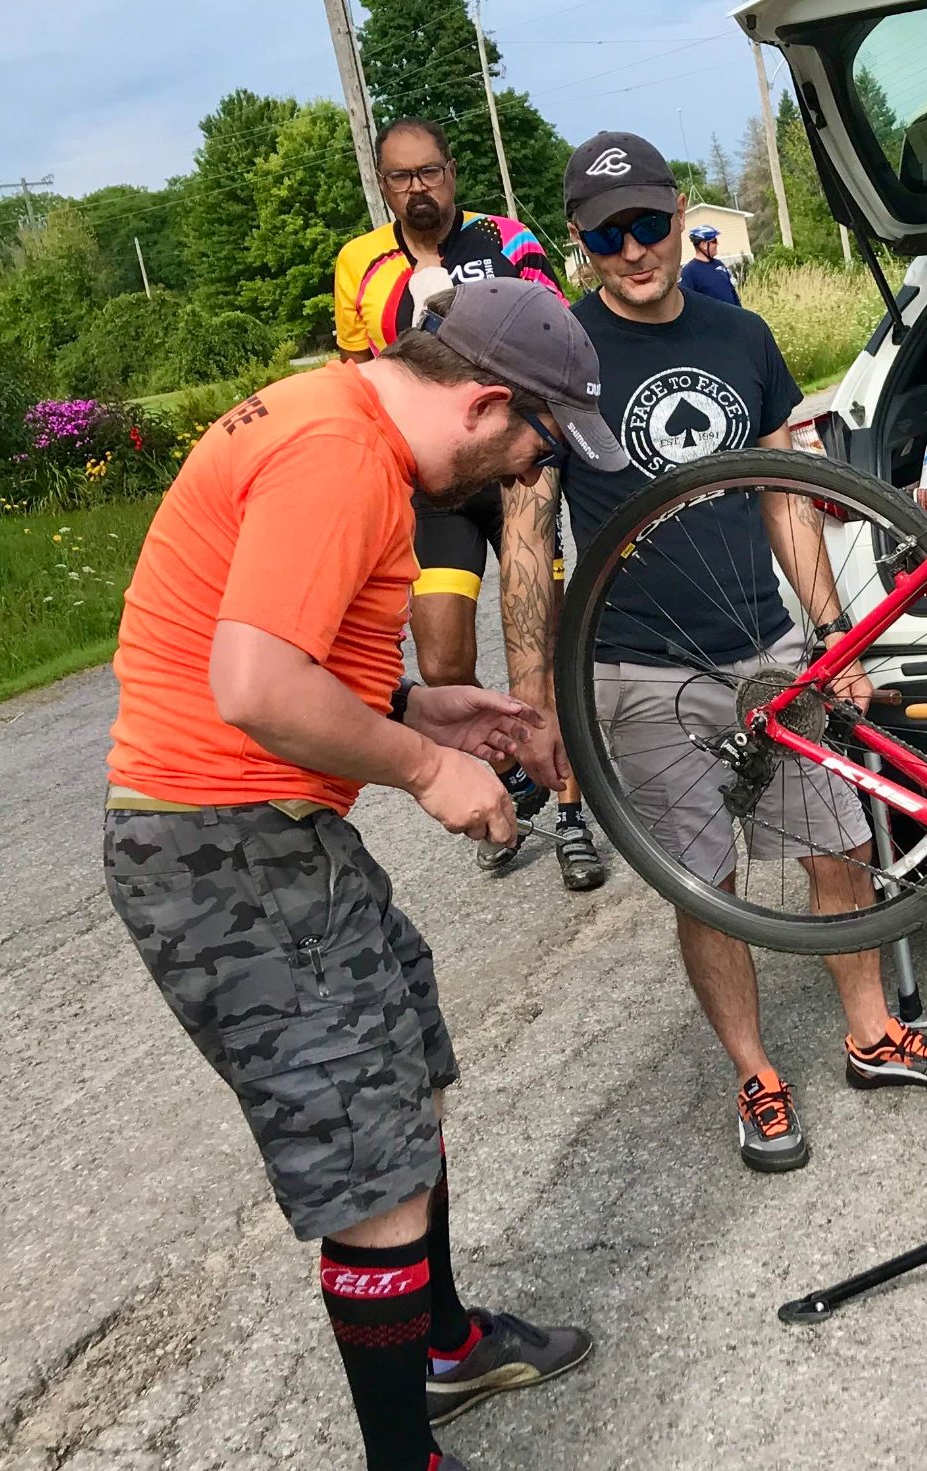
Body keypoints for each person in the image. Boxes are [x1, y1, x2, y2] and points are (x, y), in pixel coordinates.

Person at [103, 277, 630, 1471]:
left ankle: (442, 1347)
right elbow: (254, 687)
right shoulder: (338, 454)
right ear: (484, 402)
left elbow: (264, 649)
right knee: (369, 1168)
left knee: (404, 1081)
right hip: (221, 846)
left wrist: (418, 706)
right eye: (535, 444)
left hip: (268, 834)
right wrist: (426, 771)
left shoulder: (334, 422)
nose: (529, 470)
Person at [497, 131, 927, 1175]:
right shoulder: (561, 356)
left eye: (647, 224)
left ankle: (872, 1036)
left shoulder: (742, 334)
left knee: (836, 845)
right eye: (607, 237)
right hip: (640, 666)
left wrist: (831, 635)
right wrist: (537, 702)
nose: (633, 251)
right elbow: (528, 536)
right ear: (578, 241)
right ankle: (756, 1073)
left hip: (767, 649)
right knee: (703, 881)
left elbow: (786, 493)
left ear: (681, 214)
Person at [334, 117, 607, 890]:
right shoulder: (359, 264)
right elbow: (360, 376)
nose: (417, 188)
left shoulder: (508, 240)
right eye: (401, 177)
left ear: (452, 173)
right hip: (436, 483)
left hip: (516, 464)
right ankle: (508, 779)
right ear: (382, 184)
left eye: (430, 172)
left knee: (535, 647)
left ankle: (571, 810)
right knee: (443, 660)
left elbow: (554, 340)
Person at [678, 224, 741, 305]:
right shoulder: (689, 271)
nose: (717, 244)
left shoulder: (719, 264)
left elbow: (732, 291)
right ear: (703, 245)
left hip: (732, 312)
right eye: (714, 241)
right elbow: (686, 302)